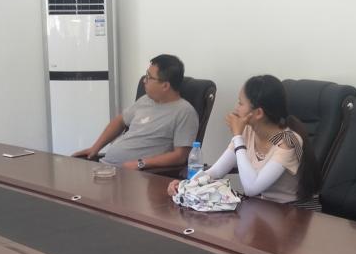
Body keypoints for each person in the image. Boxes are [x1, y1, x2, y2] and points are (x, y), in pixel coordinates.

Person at [167, 75, 319, 204]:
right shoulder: (248, 131)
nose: (236, 108)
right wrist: (187, 185)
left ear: (258, 113)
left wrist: (237, 137)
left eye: (240, 103)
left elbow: (251, 188)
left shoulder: (288, 141)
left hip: (293, 214)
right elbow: (217, 171)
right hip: (263, 209)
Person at [72, 54, 197, 171]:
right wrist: (95, 148)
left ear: (165, 86)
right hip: (106, 167)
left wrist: (141, 163)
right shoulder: (146, 100)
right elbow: (120, 121)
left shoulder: (184, 112)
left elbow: (180, 156)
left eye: (149, 77)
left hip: (135, 175)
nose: (144, 81)